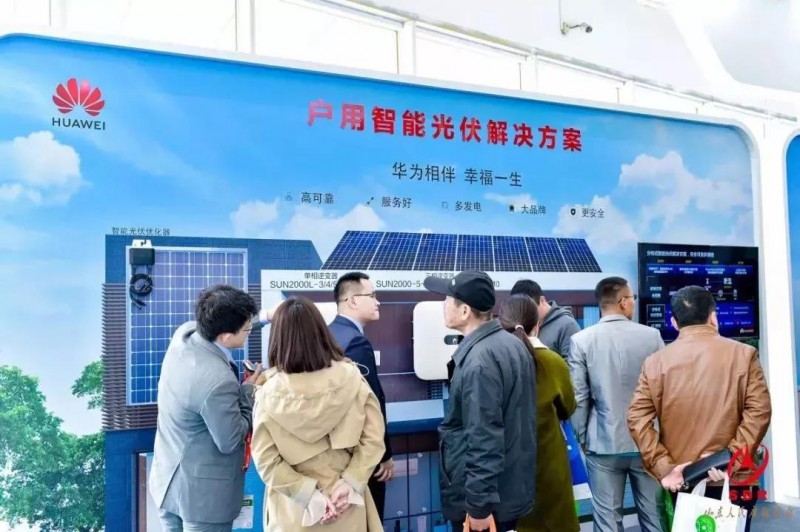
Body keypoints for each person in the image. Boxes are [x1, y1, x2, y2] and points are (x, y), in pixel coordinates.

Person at [628, 286, 772, 532]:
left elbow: (637, 418)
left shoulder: (654, 363)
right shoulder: (745, 354)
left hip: (682, 478)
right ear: (713, 317)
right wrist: (729, 460)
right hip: (733, 479)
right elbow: (759, 412)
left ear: (674, 323)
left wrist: (665, 468)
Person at [251, 296, 386, 531]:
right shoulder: (352, 378)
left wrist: (309, 495)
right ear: (321, 331)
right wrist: (351, 482)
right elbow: (374, 439)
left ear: (277, 338)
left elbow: (266, 461)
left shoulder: (267, 392)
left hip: (294, 510)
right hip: (346, 501)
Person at [424, 271, 537, 532]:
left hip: (487, 504)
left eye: (447, 299)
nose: (443, 305)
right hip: (509, 490)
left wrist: (478, 506)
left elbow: (484, 438)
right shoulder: (511, 344)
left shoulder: (479, 362)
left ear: (465, 311)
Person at [149, 284, 264, 532]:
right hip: (202, 502)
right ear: (225, 337)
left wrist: (266, 317)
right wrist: (249, 391)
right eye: (247, 329)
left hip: (167, 481)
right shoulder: (218, 381)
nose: (249, 332)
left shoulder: (185, 334)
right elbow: (230, 439)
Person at [569, 277, 663, 532]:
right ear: (623, 302)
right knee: (654, 518)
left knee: (607, 521)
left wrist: (583, 438)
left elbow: (578, 397)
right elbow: (664, 392)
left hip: (602, 443)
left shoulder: (581, 340)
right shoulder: (652, 337)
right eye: (632, 298)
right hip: (647, 442)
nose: (634, 303)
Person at [499, 294, 579, 532]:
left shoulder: (494, 361)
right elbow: (568, 408)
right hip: (550, 464)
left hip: (507, 469)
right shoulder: (553, 362)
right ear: (537, 325)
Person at [328, 272, 393, 518]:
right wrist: (384, 454)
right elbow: (371, 404)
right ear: (353, 300)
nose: (378, 302)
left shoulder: (327, 334)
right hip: (360, 456)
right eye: (372, 295)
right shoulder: (355, 342)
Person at [510, 279, 581, 359]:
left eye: (529, 309)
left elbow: (573, 364)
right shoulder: (524, 324)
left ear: (542, 300)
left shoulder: (567, 325)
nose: (526, 315)